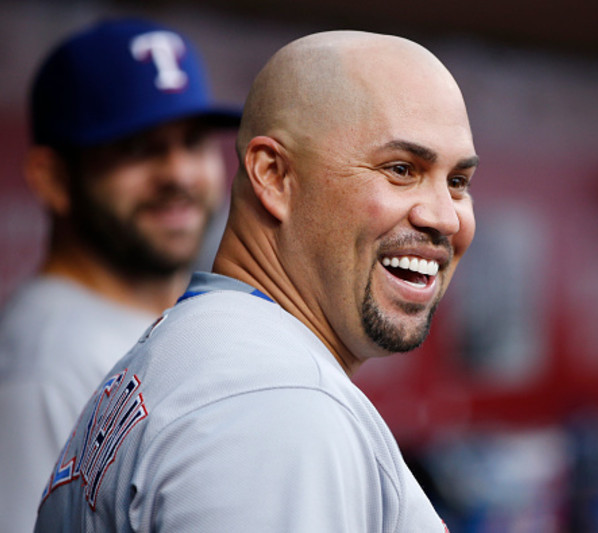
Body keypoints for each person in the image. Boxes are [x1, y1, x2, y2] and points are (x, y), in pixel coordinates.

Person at [34, 30, 478, 531]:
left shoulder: (216, 357)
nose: (444, 217)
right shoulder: (274, 401)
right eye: (401, 169)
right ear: (273, 176)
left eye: (458, 182)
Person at [0, 18, 239, 533]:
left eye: (194, 142)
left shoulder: (184, 322)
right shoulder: (39, 368)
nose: (178, 173)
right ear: (54, 179)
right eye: (137, 147)